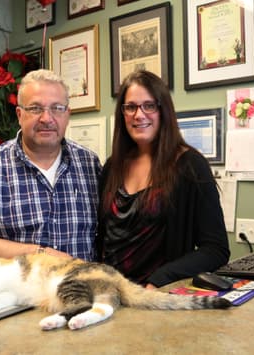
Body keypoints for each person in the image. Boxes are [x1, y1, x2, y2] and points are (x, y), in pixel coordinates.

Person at [97, 70, 230, 288]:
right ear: (122, 114)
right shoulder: (113, 166)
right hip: (108, 295)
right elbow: (101, 239)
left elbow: (216, 250)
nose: (139, 115)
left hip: (156, 298)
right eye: (130, 107)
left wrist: (159, 280)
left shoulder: (190, 165)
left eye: (149, 105)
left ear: (163, 110)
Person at [0, 69, 101, 261]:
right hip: (19, 290)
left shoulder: (89, 164)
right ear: (19, 114)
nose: (46, 118)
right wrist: (41, 253)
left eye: (57, 108)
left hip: (82, 288)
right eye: (35, 108)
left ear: (67, 114)